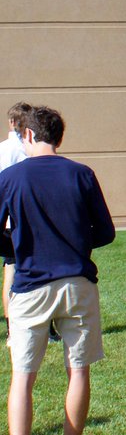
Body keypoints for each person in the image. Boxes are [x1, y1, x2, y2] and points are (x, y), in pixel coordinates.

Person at [0, 105, 115, 435]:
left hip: (30, 285)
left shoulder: (10, 177)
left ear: (29, 135)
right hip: (77, 282)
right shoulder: (82, 174)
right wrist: (77, 243)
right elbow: (106, 232)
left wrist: (17, 248)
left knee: (22, 377)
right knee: (77, 370)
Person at [1, 102, 32, 324]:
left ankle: (14, 326)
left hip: (10, 221)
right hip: (21, 221)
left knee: (12, 272)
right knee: (23, 271)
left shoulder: (4, 148)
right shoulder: (24, 149)